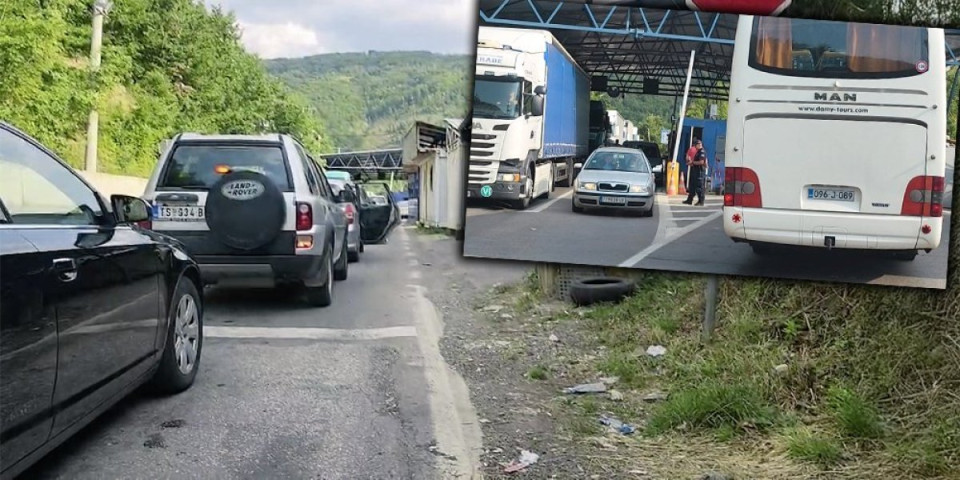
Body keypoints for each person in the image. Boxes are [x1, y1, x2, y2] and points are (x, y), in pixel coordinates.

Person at [682, 139, 706, 206]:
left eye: (700, 144)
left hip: (699, 172)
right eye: (698, 144)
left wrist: (692, 162)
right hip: (695, 171)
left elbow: (701, 162)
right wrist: (691, 163)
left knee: (699, 187)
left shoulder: (702, 152)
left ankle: (701, 201)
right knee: (692, 186)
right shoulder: (698, 152)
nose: (699, 145)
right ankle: (689, 200)